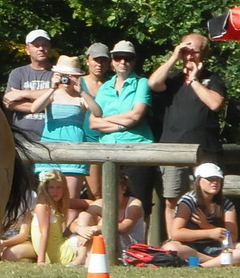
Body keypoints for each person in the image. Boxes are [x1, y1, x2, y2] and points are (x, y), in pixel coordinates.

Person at [149, 33, 227, 205]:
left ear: (205, 53)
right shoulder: (172, 78)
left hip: (205, 150)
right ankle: (173, 234)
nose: (190, 56)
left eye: (195, 52)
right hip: (173, 148)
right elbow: (153, 83)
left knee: (206, 199)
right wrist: (173, 57)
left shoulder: (213, 79)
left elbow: (215, 104)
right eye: (185, 51)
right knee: (173, 200)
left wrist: (193, 81)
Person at [90, 39, 156, 204]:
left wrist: (105, 120)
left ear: (134, 61)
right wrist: (121, 124)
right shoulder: (104, 87)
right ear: (112, 61)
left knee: (138, 203)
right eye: (118, 57)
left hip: (138, 151)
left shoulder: (142, 83)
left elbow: (136, 116)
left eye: (128, 58)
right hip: (108, 152)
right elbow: (93, 122)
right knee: (110, 202)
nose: (123, 62)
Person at [26, 54, 95, 200]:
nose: (66, 79)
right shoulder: (52, 95)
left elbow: (98, 112)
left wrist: (82, 91)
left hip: (74, 150)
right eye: (63, 75)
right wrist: (52, 88)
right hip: (51, 149)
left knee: (70, 199)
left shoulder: (80, 98)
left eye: (71, 76)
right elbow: (34, 108)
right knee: (46, 198)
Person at [164, 162, 238, 265]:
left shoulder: (226, 204)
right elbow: (176, 233)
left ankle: (204, 265)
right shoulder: (188, 201)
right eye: (210, 179)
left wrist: (207, 226)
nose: (215, 182)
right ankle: (219, 262)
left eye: (218, 179)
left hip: (218, 246)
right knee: (171, 248)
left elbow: (232, 236)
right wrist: (209, 233)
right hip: (191, 247)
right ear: (198, 181)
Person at [2, 29, 55, 143]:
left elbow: (57, 95)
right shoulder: (18, 73)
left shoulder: (58, 73)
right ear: (27, 50)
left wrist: (22, 94)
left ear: (49, 47)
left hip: (51, 136)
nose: (41, 48)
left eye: (44, 45)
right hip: (22, 138)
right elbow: (8, 102)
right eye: (36, 45)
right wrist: (44, 103)